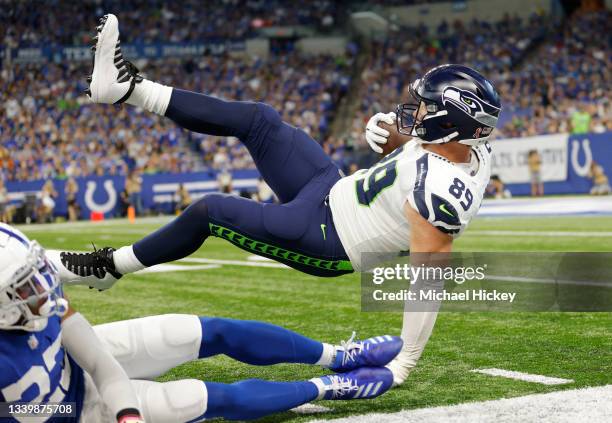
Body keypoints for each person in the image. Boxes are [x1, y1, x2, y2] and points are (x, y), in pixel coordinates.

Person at [58, 14, 502, 386]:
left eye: (424, 107)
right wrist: (393, 138)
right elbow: (419, 154)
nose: (414, 110)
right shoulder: (463, 142)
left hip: (329, 238)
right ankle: (125, 87)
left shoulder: (443, 193)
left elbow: (427, 280)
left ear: (449, 121)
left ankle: (108, 268)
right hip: (331, 189)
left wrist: (404, 361)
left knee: (212, 211)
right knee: (259, 119)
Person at [0, 223, 399, 422]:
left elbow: (101, 363)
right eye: (25, 287)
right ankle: (328, 387)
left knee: (203, 330)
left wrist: (127, 412)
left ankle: (337, 356)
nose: (43, 287)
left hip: (72, 366)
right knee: (205, 398)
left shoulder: (30, 296)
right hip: (73, 412)